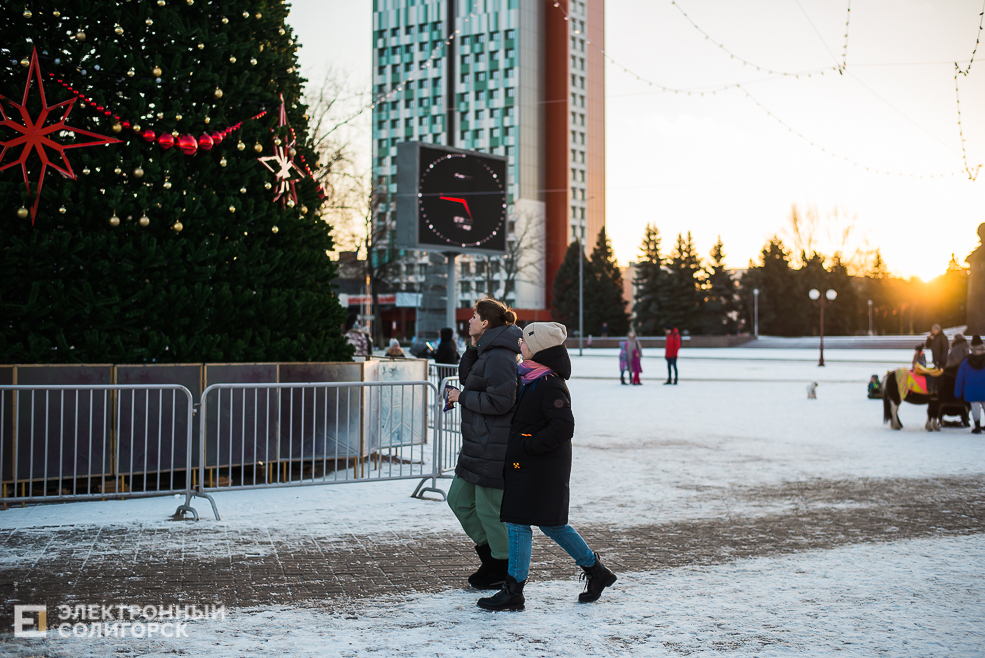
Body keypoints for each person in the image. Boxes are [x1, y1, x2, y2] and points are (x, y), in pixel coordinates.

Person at [477, 322, 617, 611]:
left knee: (521, 523)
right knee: (550, 524)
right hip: (531, 466)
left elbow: (563, 427)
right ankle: (596, 572)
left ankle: (514, 590)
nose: (519, 345)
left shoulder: (549, 382)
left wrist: (528, 446)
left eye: (525, 342)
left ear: (539, 348)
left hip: (539, 468)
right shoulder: (532, 378)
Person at [444, 299, 522, 589]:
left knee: (490, 510)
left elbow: (502, 401)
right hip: (477, 443)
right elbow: (470, 377)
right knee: (459, 500)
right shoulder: (487, 351)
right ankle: (491, 557)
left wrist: (461, 398)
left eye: (474, 317)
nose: (469, 321)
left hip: (493, 443)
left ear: (486, 323)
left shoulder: (501, 356)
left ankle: (501, 567)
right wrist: (475, 346)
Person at [955, 335, 985, 434]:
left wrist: (958, 392)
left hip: (971, 390)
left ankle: (977, 426)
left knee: (975, 407)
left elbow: (960, 378)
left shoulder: (966, 361)